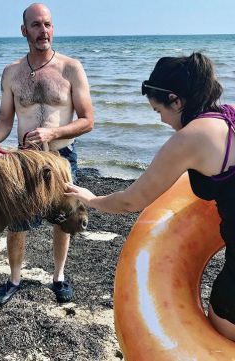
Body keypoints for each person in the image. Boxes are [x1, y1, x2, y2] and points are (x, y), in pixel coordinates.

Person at [65, 52, 235, 340]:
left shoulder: (189, 138)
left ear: (176, 100)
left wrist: (91, 199)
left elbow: (133, 200)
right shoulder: (229, 114)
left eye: (159, 111)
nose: (162, 120)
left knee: (221, 319)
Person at [0, 3, 94, 305]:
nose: (44, 31)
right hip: (25, 161)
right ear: (24, 30)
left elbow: (87, 120)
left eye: (48, 24)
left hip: (62, 159)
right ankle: (14, 278)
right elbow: (4, 121)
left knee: (63, 219)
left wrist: (52, 133)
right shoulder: (12, 73)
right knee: (16, 224)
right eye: (37, 25)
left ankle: (59, 277)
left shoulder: (71, 68)